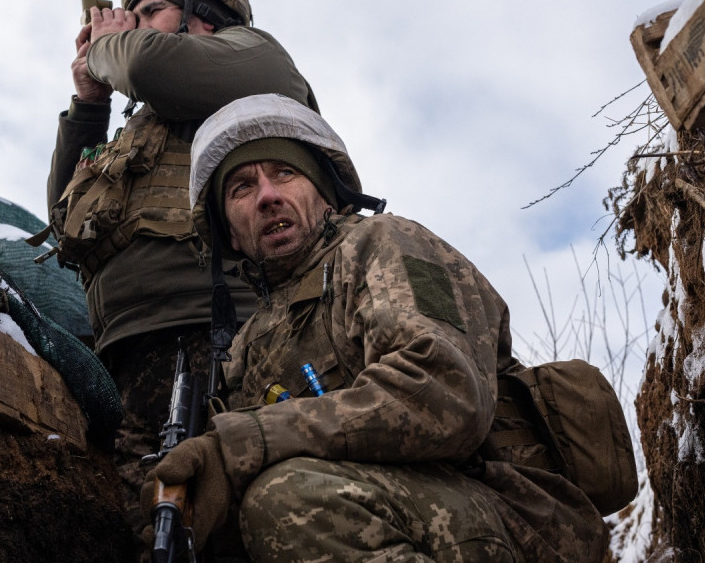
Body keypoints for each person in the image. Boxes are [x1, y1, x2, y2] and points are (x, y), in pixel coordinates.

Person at [143, 93, 608, 562]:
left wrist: (245, 442)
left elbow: (442, 392)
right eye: (241, 187)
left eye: (285, 172)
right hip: (384, 512)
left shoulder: (381, 243)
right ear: (230, 233)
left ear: (327, 190)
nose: (267, 196)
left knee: (287, 500)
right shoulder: (247, 346)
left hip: (509, 517)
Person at [42, 0, 317, 537]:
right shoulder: (140, 129)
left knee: (213, 522)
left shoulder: (255, 61)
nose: (131, 25)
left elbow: (144, 65)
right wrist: (90, 107)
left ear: (204, 18)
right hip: (123, 352)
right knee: (133, 526)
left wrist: (107, 47)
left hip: (217, 339)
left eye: (148, 11)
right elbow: (67, 219)